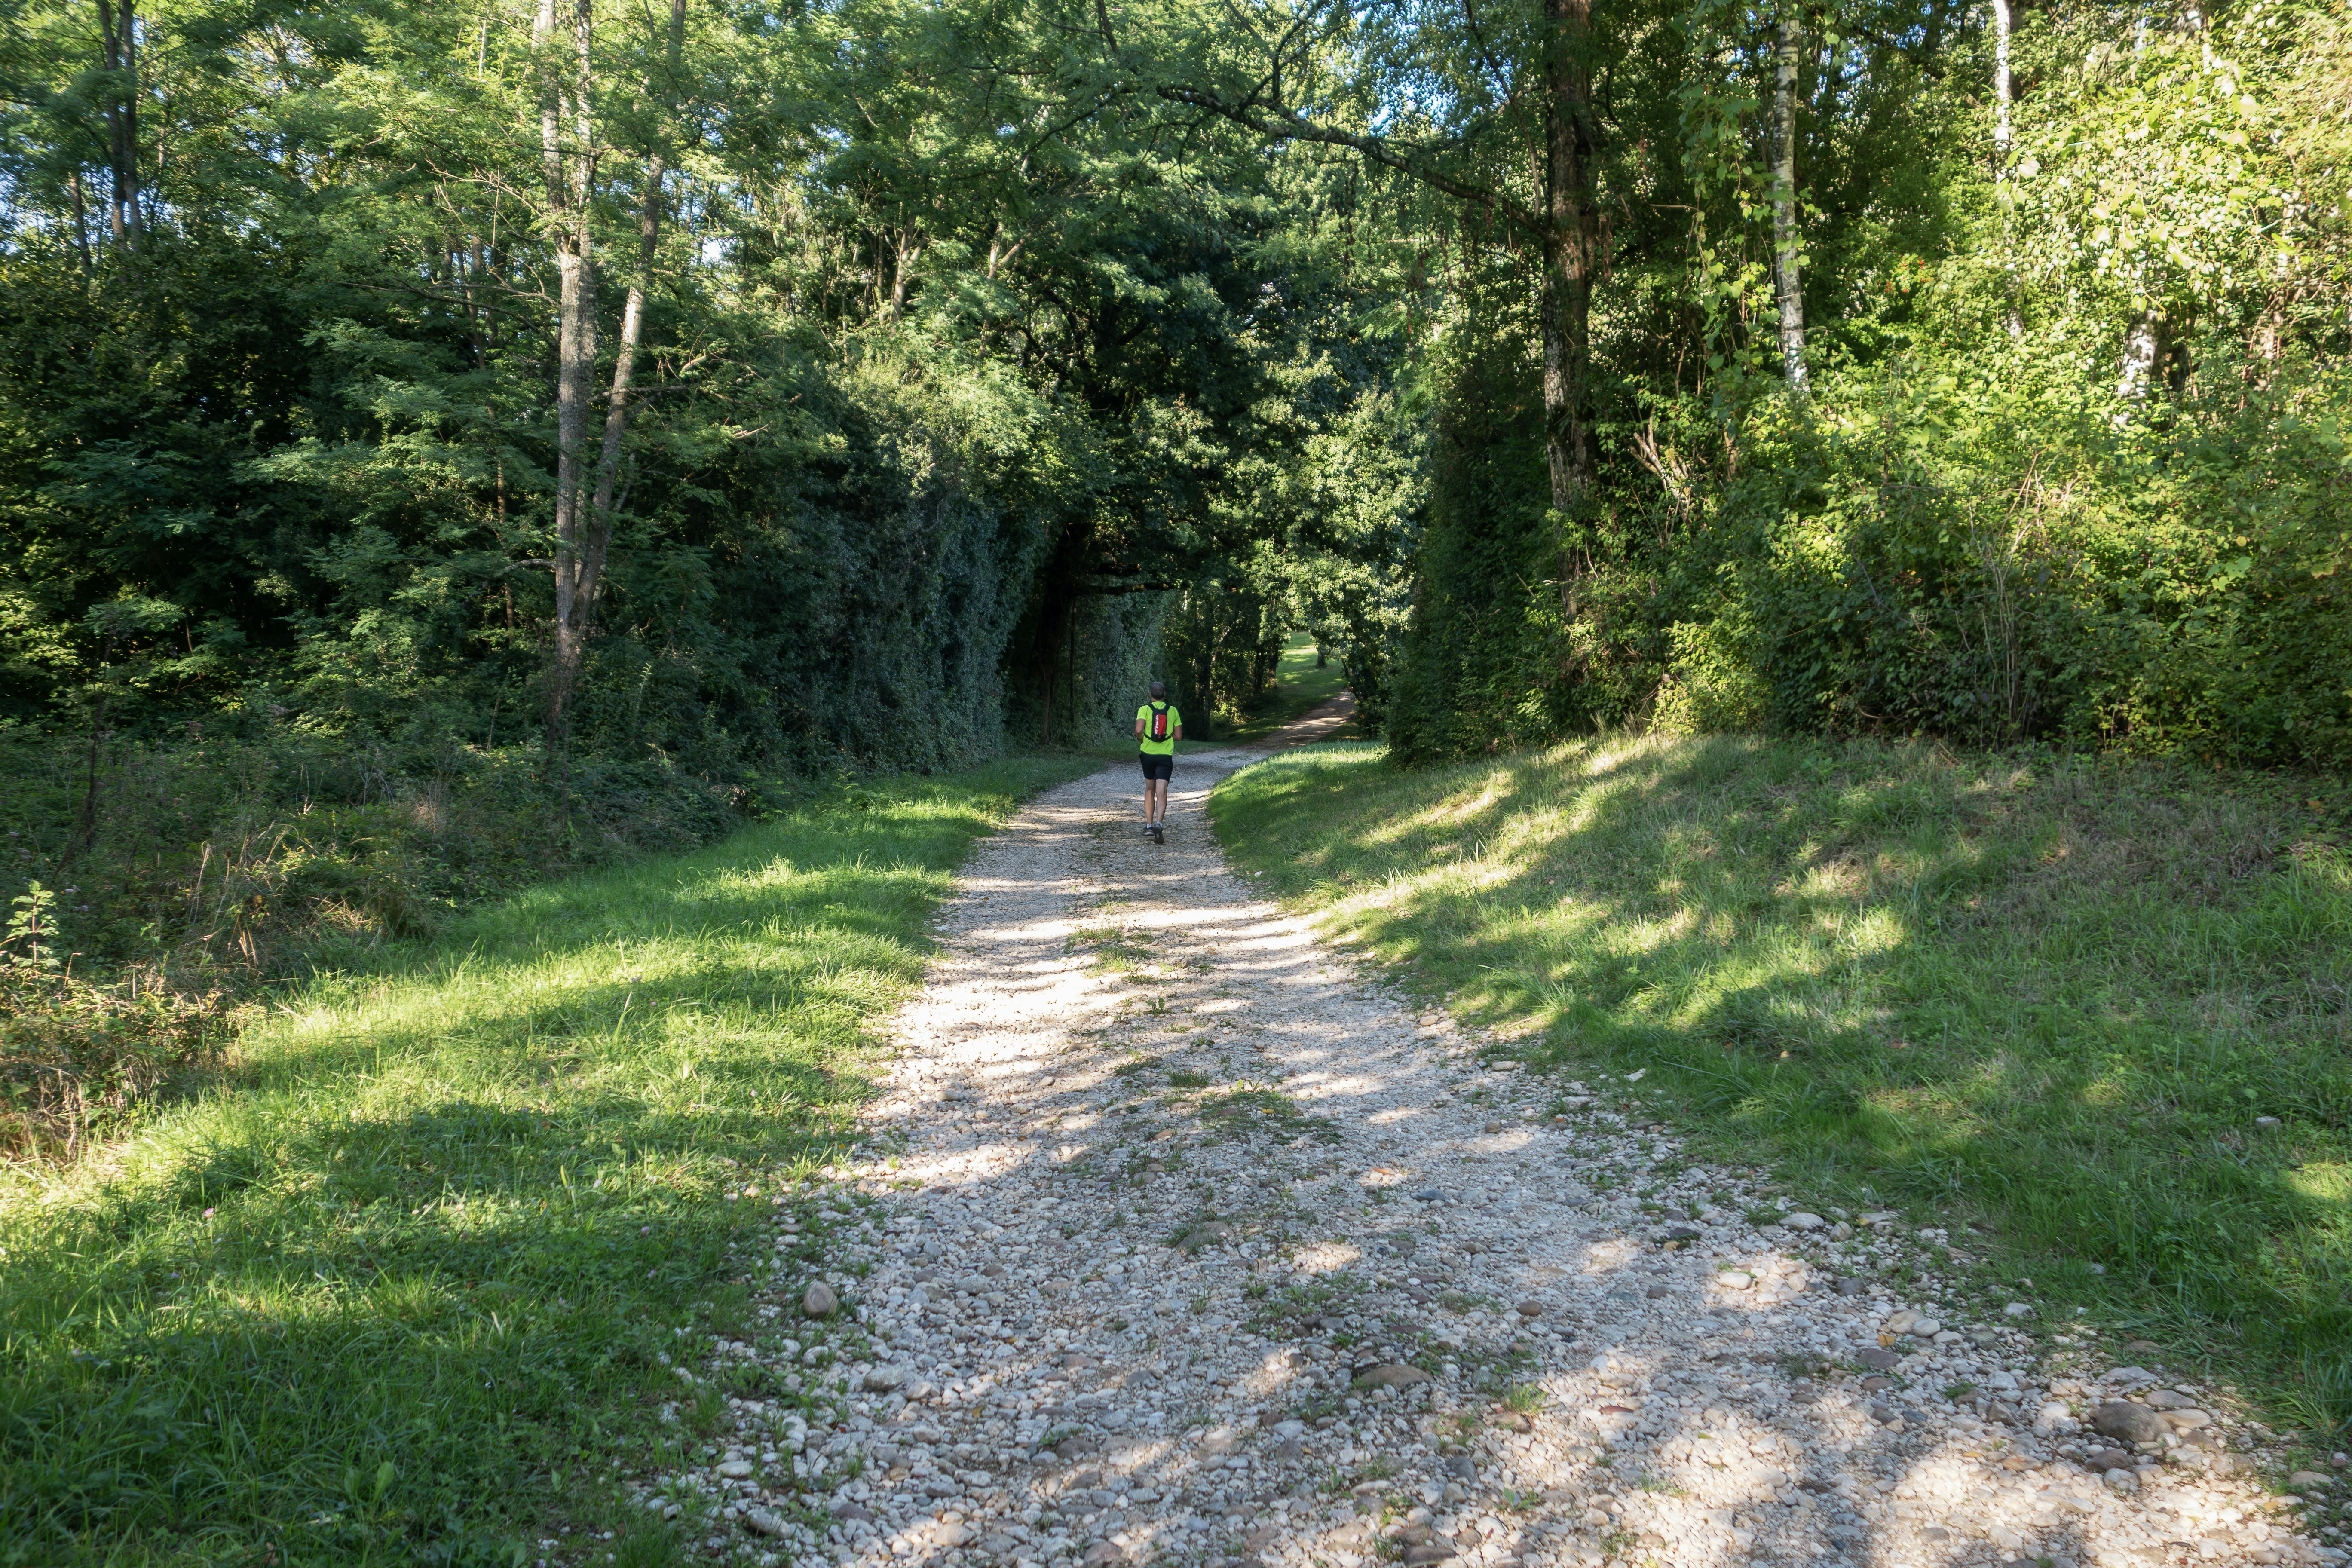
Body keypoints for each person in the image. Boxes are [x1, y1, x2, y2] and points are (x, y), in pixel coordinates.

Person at [1133, 680, 1182, 842]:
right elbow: (1179, 736)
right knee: (1162, 791)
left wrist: (1141, 740)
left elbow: (1139, 730)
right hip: (1165, 756)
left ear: (1150, 695)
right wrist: (1169, 737)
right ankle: (1159, 824)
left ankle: (1149, 826)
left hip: (1147, 754)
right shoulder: (1173, 711)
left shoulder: (1144, 709)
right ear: (1165, 695)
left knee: (1150, 790)